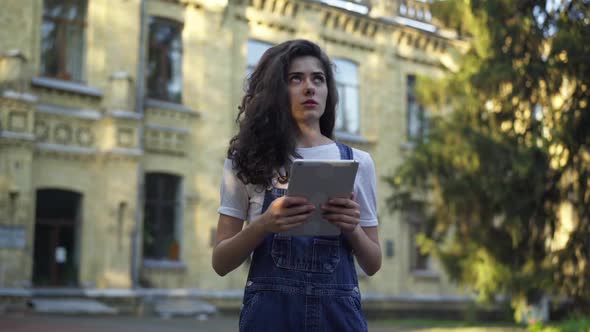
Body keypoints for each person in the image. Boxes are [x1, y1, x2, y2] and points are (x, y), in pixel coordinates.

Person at [212, 39, 381, 331]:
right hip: (269, 318)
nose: (310, 87)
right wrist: (264, 224)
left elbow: (373, 263)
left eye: (319, 78)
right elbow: (221, 262)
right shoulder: (247, 162)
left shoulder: (358, 162)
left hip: (338, 318)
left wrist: (351, 227)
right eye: (296, 79)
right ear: (277, 90)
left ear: (329, 90)